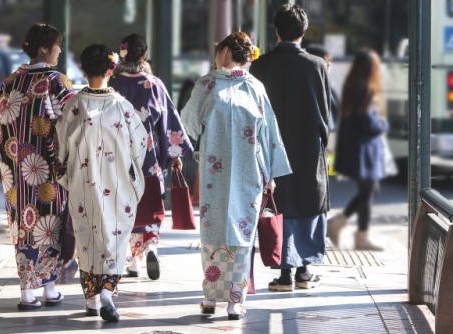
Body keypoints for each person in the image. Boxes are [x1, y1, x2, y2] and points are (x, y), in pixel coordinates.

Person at [181, 31, 291, 320]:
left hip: (231, 172)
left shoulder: (209, 86)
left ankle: (232, 298)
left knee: (238, 233)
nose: (217, 55)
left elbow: (188, 125)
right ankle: (216, 296)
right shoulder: (253, 88)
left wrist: (270, 175)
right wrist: (271, 171)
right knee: (216, 231)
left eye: (219, 50)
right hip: (243, 169)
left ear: (226, 52)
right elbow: (270, 135)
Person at [55, 44, 148, 321]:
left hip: (83, 182)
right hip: (117, 182)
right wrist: (132, 175)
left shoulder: (72, 106)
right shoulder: (123, 106)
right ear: (112, 69)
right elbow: (140, 144)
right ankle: (108, 292)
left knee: (86, 236)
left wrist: (66, 174)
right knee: (114, 234)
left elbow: (61, 149)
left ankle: (92, 299)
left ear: (82, 69)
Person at [0, 23, 75, 311]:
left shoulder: (11, 80)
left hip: (15, 167)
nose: (60, 50)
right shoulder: (56, 80)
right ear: (44, 48)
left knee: (23, 224)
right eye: (57, 45)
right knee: (50, 222)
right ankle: (50, 288)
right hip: (46, 166)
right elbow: (72, 119)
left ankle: (27, 291)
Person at [249, 4, 331, 292]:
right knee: (308, 202)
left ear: (276, 31)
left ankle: (283, 273)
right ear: (304, 31)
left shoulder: (260, 66)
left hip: (270, 150)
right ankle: (304, 271)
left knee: (278, 204)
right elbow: (325, 115)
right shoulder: (317, 65)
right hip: (307, 148)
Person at [108, 33, 193, 280]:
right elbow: (169, 121)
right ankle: (151, 247)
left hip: (119, 159)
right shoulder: (153, 84)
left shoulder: (113, 84)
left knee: (124, 205)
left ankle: (132, 261)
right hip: (149, 158)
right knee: (151, 205)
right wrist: (175, 154)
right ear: (144, 55)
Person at [329, 49, 387, 251]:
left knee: (369, 191)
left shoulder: (351, 86)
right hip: (365, 151)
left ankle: (341, 223)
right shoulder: (366, 89)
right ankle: (359, 235)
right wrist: (383, 125)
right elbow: (369, 123)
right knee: (369, 191)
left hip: (355, 150)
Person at [305, 43, 339, 131]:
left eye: (330, 61)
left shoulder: (329, 85)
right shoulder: (310, 85)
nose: (329, 64)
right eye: (327, 60)